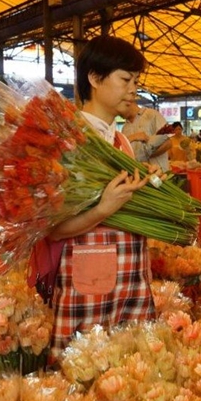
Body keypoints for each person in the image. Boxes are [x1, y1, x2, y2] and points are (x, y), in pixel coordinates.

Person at [44, 35, 160, 360]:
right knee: (81, 379)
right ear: (95, 78)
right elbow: (53, 230)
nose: (134, 89)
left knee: (130, 376)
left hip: (131, 280)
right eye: (125, 79)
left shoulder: (121, 140)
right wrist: (102, 209)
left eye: (136, 81)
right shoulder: (68, 139)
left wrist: (147, 186)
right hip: (87, 286)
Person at [122, 101, 171, 172]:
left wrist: (144, 155)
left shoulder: (152, 115)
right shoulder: (125, 127)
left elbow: (168, 143)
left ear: (129, 101)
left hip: (159, 175)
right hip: (138, 176)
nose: (118, 111)